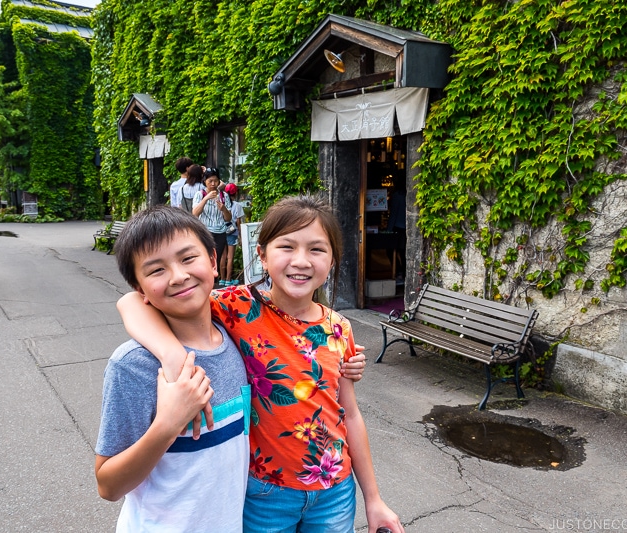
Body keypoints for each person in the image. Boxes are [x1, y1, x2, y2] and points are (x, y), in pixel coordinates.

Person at [119, 195, 403, 533]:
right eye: (286, 247)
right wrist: (173, 356)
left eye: (317, 249)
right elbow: (132, 303)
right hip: (266, 493)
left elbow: (350, 414)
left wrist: (373, 499)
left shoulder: (339, 327)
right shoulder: (238, 306)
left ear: (332, 261)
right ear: (262, 255)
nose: (301, 261)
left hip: (335, 492)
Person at [96, 205, 250, 532]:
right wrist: (167, 425)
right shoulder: (133, 366)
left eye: (187, 258)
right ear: (141, 290)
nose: (179, 276)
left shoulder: (238, 331)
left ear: (212, 260)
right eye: (156, 270)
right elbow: (108, 485)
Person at [192, 167, 232, 268]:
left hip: (220, 233)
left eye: (216, 181)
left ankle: (213, 281)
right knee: (204, 258)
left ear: (219, 181)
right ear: (205, 181)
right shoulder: (199, 195)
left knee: (216, 261)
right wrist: (206, 199)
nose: (213, 184)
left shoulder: (224, 196)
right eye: (210, 181)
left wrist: (224, 209)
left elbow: (228, 218)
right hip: (205, 232)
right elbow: (195, 213)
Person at [219, 182, 244, 286]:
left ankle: (222, 279)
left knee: (223, 257)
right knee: (230, 257)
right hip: (232, 233)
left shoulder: (221, 203)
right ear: (236, 193)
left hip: (222, 231)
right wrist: (241, 236)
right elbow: (238, 222)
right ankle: (229, 280)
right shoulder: (237, 205)